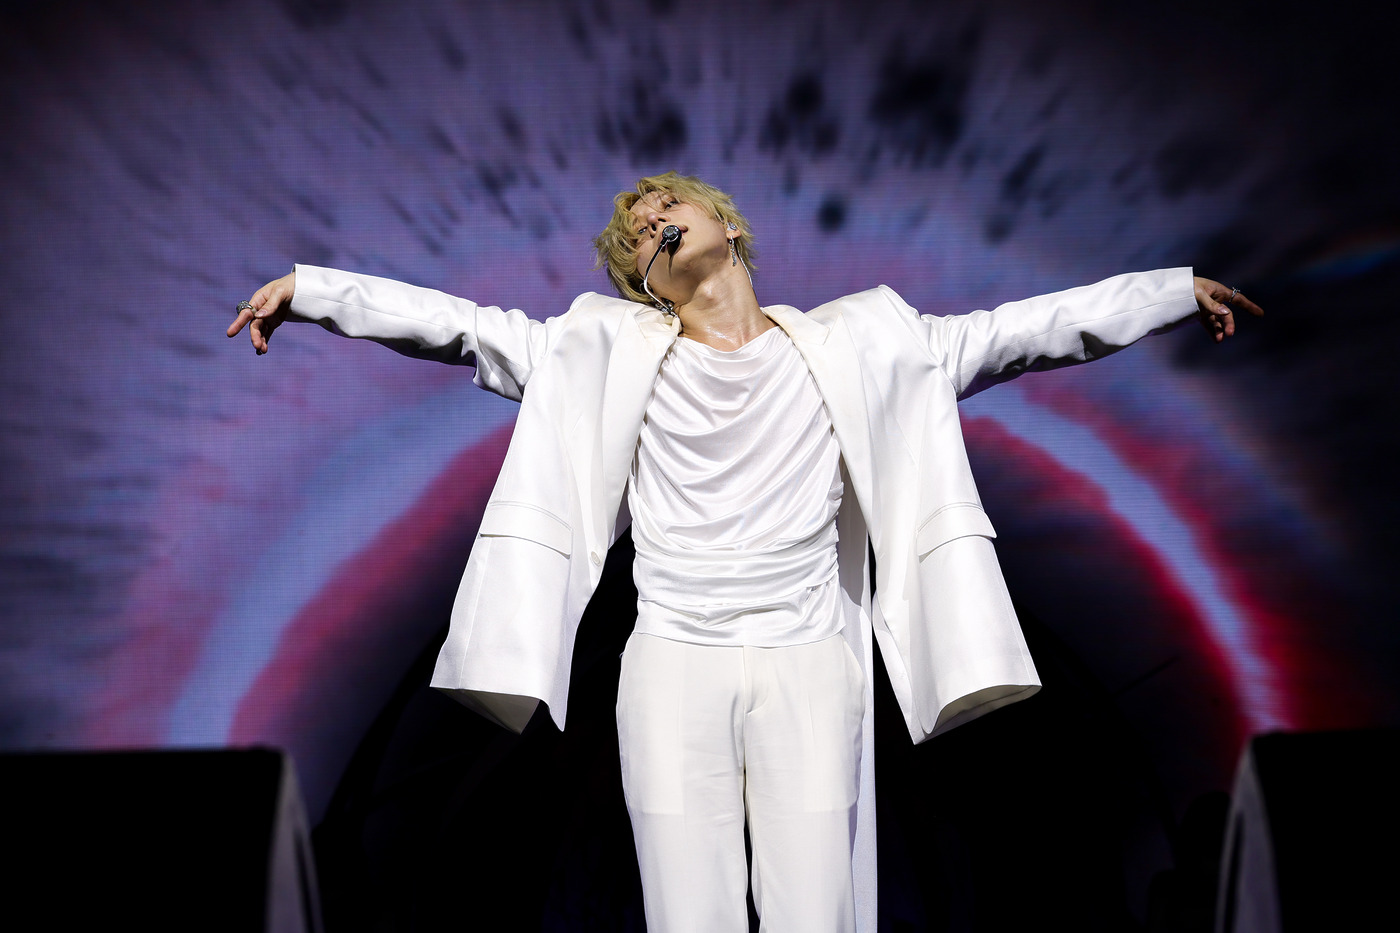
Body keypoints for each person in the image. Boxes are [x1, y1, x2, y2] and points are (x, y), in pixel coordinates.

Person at [228, 171, 1261, 933]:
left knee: (816, 914)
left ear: (727, 226)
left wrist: (1170, 292)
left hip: (809, 661)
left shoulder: (864, 341)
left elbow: (1022, 331)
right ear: (640, 277)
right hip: (673, 663)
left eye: (665, 208)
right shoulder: (601, 352)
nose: (652, 223)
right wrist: (313, 292)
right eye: (637, 231)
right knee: (692, 917)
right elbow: (461, 328)